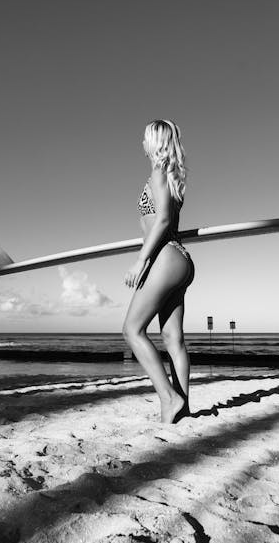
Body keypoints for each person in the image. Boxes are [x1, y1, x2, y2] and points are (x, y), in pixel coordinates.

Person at [122, 119, 195, 424]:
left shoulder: (157, 172)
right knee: (172, 338)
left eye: (144, 138)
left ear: (153, 142)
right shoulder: (173, 174)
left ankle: (169, 398)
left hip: (164, 259)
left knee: (131, 330)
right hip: (181, 260)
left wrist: (141, 260)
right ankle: (183, 409)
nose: (141, 143)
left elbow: (163, 220)